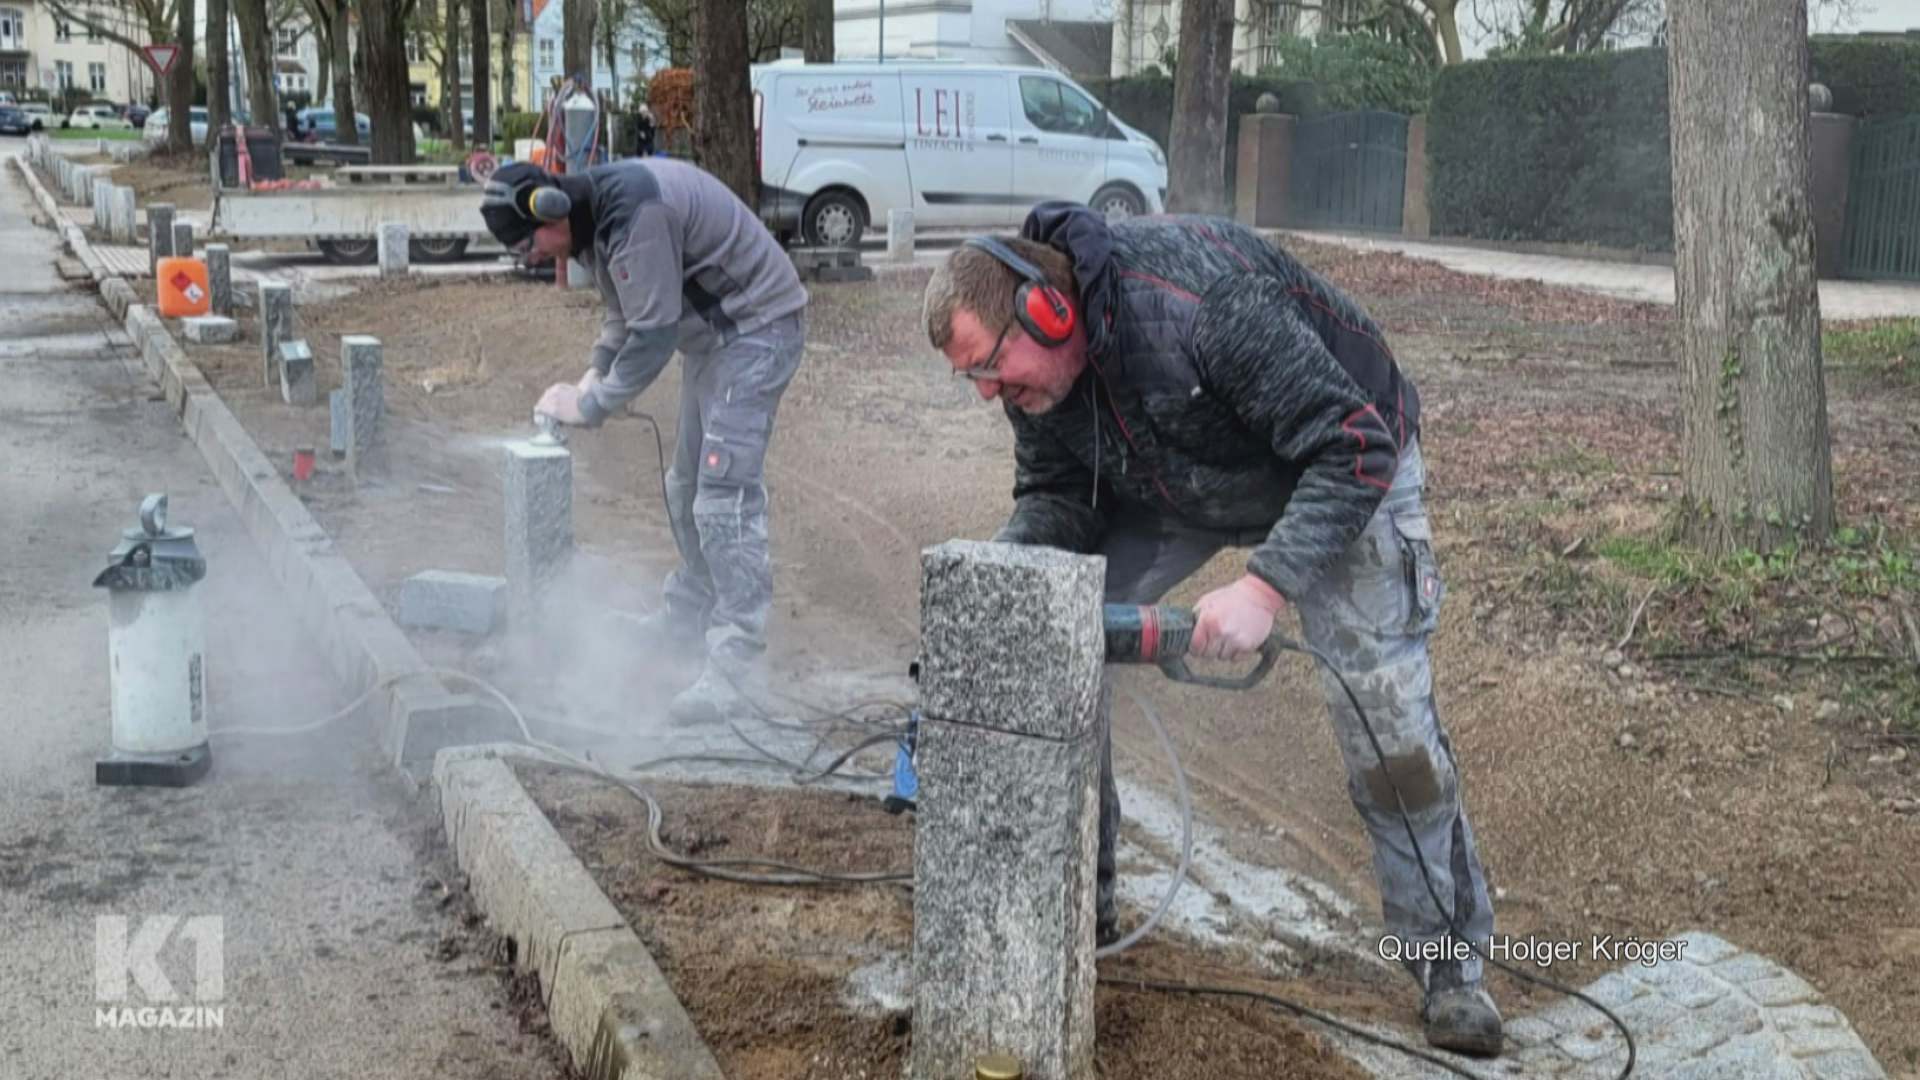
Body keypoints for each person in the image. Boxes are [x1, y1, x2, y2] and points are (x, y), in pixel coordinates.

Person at [920, 202, 1503, 1056]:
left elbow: (1353, 447)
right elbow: (1054, 500)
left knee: (1386, 724)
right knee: (1048, 643)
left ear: (1050, 309)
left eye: (993, 369)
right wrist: (1007, 590)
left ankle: (1451, 969)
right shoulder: (1033, 381)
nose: (987, 396)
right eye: (972, 379)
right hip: (1181, 479)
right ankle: (1079, 906)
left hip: (1335, 465)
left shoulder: (1205, 307)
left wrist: (1265, 587)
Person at [480, 158, 809, 725]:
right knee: (685, 488)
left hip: (757, 330)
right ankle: (685, 623)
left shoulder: (634, 214)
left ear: (551, 209)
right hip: (715, 341)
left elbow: (653, 335)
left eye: (531, 243)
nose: (534, 256)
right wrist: (595, 372)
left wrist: (593, 405)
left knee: (723, 496)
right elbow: (621, 314)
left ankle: (734, 670)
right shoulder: (593, 226)